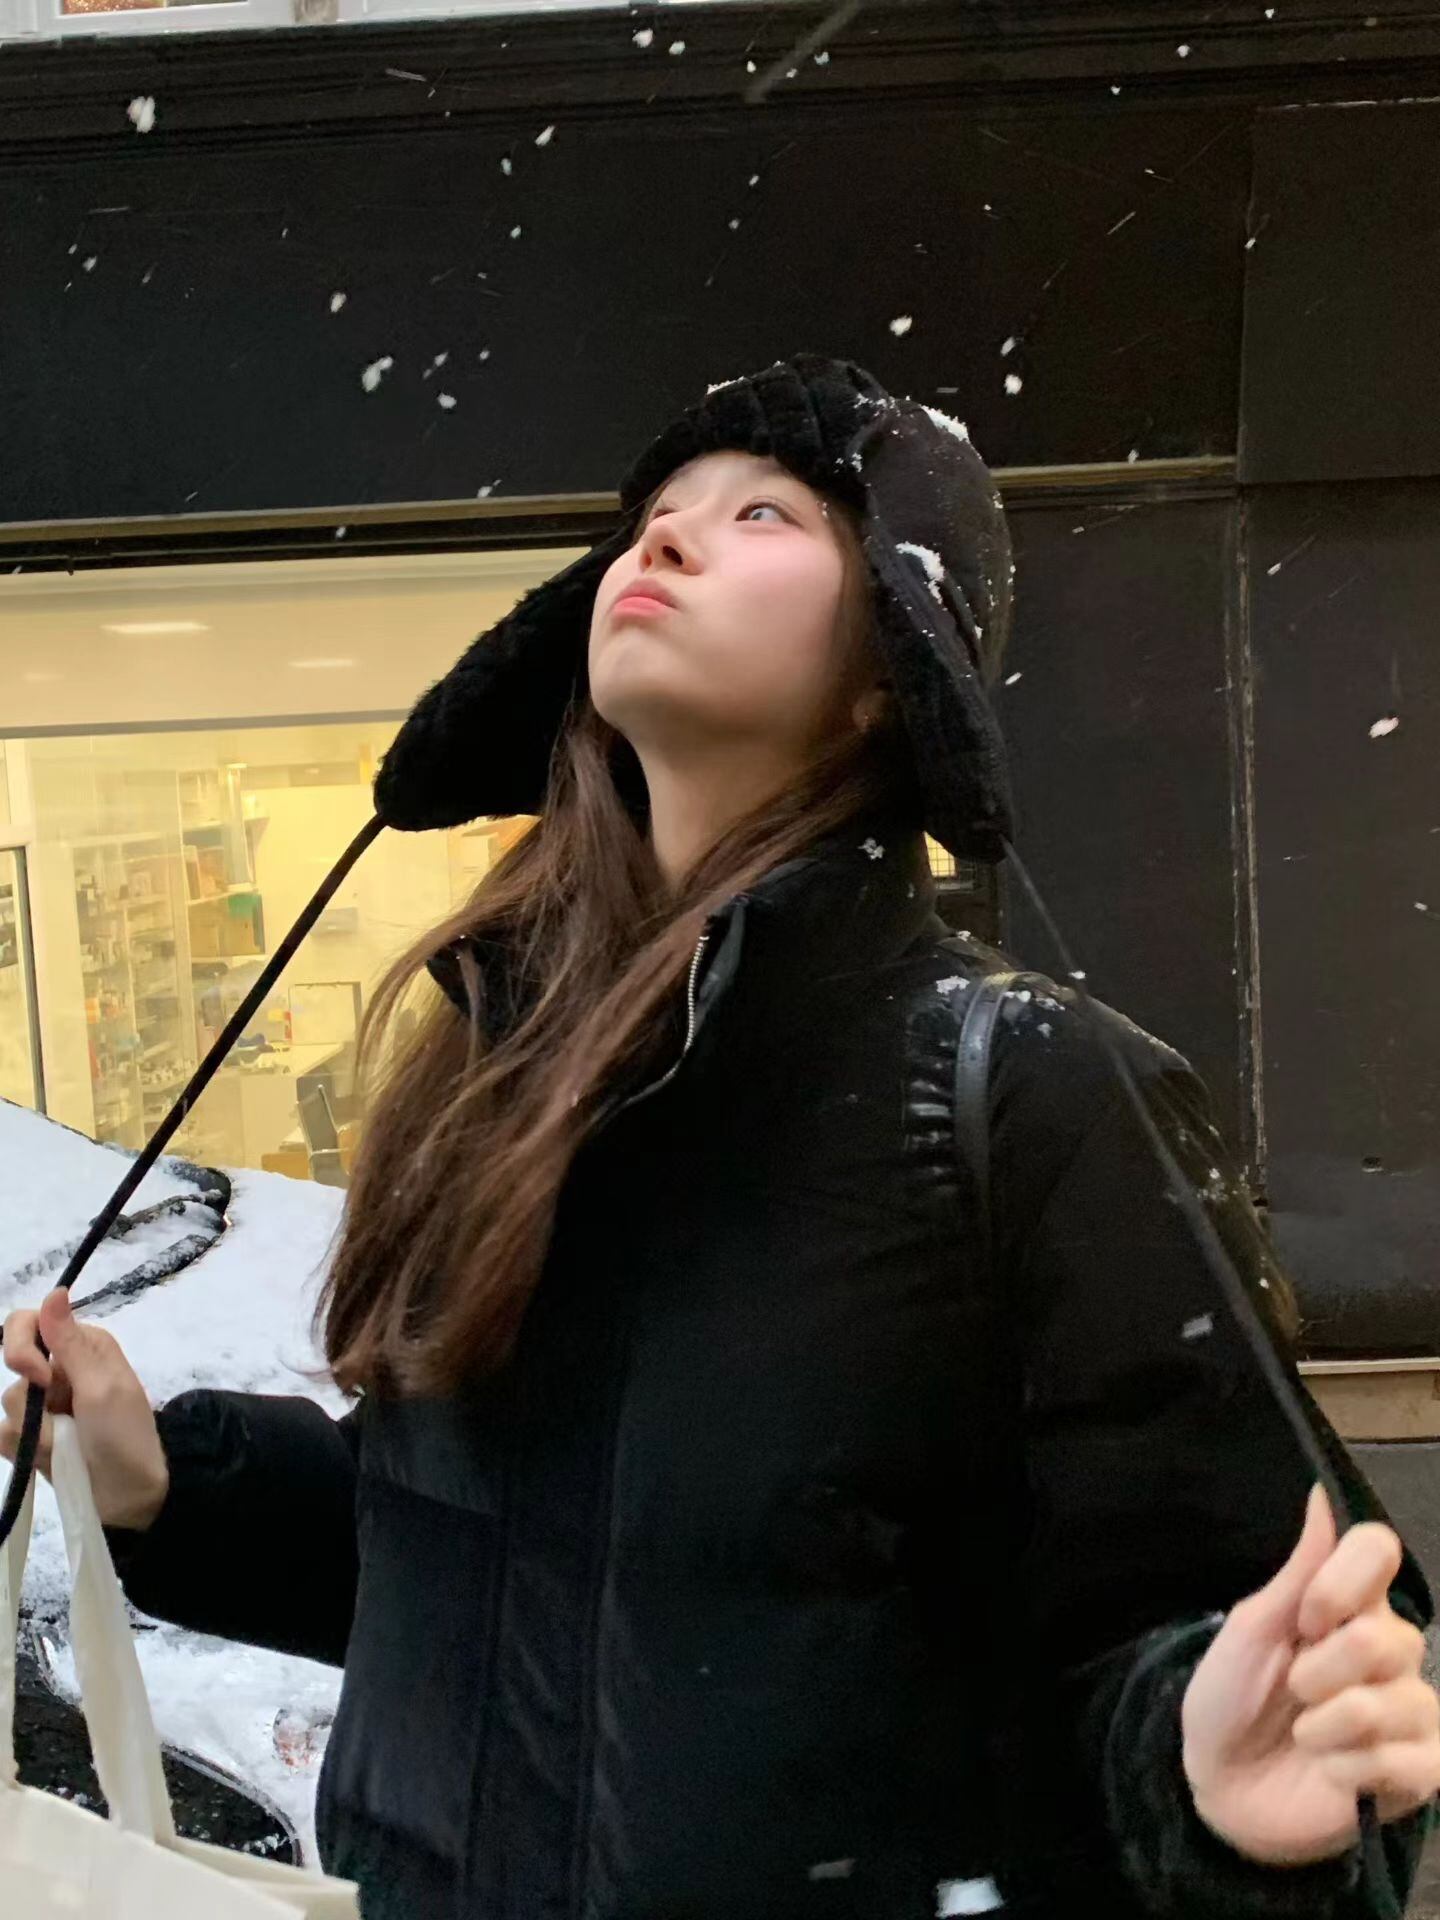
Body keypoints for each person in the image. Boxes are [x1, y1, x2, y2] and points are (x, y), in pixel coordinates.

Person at [4, 356, 1437, 1920]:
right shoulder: (507, 1073)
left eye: (765, 513)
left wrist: (1206, 1790)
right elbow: (475, 1570)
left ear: (890, 664)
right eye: (657, 514)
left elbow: (1249, 1634)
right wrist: (171, 1481)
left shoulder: (1030, 1097)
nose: (666, 538)